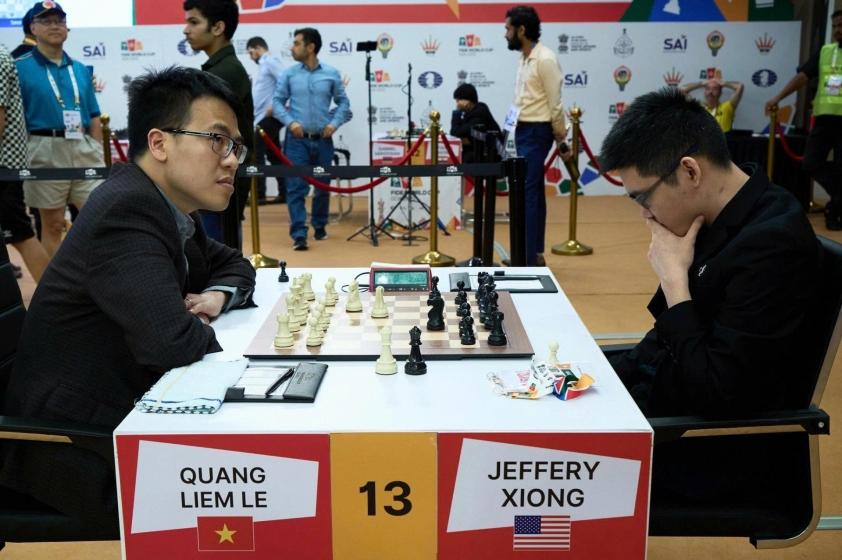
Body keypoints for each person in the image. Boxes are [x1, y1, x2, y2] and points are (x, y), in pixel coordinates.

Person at [0, 66, 257, 527]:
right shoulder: (127, 209)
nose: (232, 160)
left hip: (123, 414)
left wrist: (216, 298)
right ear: (159, 144)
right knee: (256, 481)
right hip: (76, 447)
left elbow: (235, 265)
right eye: (217, 140)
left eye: (236, 146)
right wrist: (190, 323)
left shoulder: (165, 206)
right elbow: (171, 343)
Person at [598, 87, 821, 419]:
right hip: (657, 398)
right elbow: (662, 344)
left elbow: (716, 394)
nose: (645, 214)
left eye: (644, 198)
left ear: (690, 171)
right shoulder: (718, 213)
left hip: (689, 433)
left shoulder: (774, 245)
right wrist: (598, 380)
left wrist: (675, 284)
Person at [14, 1, 105, 258]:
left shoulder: (80, 69)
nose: (54, 26)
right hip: (44, 149)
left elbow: (94, 115)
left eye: (59, 21)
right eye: (46, 21)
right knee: (52, 224)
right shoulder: (19, 68)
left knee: (98, 218)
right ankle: (57, 282)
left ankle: (94, 276)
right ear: (33, 28)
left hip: (84, 148)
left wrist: (96, 148)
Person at [183, 0, 255, 247]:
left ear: (217, 28)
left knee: (216, 256)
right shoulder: (221, 68)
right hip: (218, 178)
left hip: (220, 178)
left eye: (194, 22)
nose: (186, 30)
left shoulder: (225, 72)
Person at [273, 27, 350, 251]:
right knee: (296, 188)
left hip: (324, 140)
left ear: (310, 47)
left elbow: (343, 103)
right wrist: (291, 123)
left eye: (297, 43)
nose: (292, 48)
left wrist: (334, 124)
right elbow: (277, 102)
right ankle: (299, 234)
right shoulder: (289, 74)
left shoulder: (331, 74)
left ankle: (319, 225)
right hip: (297, 141)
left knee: (322, 186)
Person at [765, 9, 842, 231]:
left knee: (841, 168)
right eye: (835, 26)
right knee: (810, 163)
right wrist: (778, 97)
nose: (837, 30)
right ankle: (839, 198)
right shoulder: (826, 51)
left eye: (841, 26)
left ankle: (834, 212)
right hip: (824, 119)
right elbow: (802, 77)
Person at [504, 5, 568, 267]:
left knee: (527, 193)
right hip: (523, 129)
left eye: (508, 28)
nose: (505, 34)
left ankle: (526, 258)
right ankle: (534, 253)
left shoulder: (545, 59)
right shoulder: (524, 58)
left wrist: (561, 136)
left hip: (537, 130)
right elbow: (521, 99)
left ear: (521, 30)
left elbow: (555, 102)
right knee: (533, 192)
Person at [0, 45, 49, 282]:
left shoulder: (0, 58)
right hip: (7, 165)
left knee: (20, 234)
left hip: (3, 165)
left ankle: (58, 300)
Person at [246, 35, 285, 204]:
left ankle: (259, 195)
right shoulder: (264, 65)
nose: (250, 57)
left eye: (250, 52)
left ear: (257, 48)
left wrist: (276, 105)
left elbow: (285, 81)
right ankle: (284, 193)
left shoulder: (270, 62)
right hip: (264, 117)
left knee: (257, 155)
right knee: (274, 156)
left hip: (269, 117)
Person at [449, 82, 501, 163]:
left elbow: (456, 132)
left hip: (489, 156)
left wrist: (457, 112)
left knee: (462, 157)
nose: (457, 104)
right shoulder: (472, 112)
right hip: (482, 152)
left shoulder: (479, 113)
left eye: (458, 100)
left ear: (467, 101)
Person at [679, 78, 744, 133]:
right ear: (705, 92)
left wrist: (724, 83)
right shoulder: (698, 107)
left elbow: (740, 86)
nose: (710, 92)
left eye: (715, 89)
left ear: (720, 92)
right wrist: (701, 84)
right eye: (708, 88)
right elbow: (681, 90)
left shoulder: (727, 107)